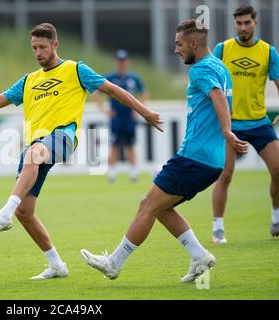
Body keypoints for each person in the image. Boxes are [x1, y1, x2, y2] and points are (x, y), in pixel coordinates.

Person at [0, 23, 162, 280]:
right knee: (26, 212)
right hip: (37, 144)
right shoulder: (29, 80)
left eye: (42, 47)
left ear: (55, 45)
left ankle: (3, 214)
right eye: (34, 48)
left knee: (33, 154)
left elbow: (113, 90)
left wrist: (145, 113)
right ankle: (56, 265)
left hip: (63, 137)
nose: (38, 53)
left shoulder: (76, 70)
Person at [80, 19, 248, 283]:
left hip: (194, 158)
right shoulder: (220, 66)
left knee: (147, 205)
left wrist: (226, 131)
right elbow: (222, 98)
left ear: (194, 43)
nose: (176, 50)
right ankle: (199, 256)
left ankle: (114, 263)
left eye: (179, 44)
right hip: (211, 162)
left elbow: (216, 96)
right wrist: (224, 133)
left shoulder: (201, 70)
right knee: (161, 208)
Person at [211, 5, 279, 243]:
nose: (242, 27)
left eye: (247, 22)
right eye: (239, 23)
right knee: (226, 174)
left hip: (260, 122)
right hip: (231, 123)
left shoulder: (268, 52)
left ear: (255, 23)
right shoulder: (222, 50)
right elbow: (210, 83)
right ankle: (218, 228)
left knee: (278, 169)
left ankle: (276, 217)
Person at [94, 49, 149, 183]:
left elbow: (144, 92)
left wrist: (139, 110)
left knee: (130, 144)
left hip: (129, 116)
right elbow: (96, 92)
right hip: (116, 116)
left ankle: (133, 173)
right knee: (115, 144)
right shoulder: (110, 77)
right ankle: (112, 173)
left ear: (128, 62)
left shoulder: (133, 78)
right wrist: (104, 109)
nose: (121, 64)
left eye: (124, 61)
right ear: (115, 62)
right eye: (119, 61)